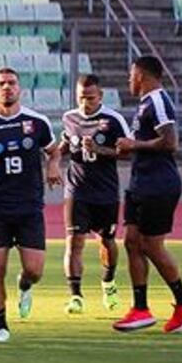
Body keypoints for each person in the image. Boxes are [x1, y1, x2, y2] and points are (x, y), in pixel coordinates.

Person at [0, 68, 61, 342]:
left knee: (35, 270)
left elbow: (54, 149)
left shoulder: (36, 122)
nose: (7, 88)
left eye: (12, 83)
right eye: (1, 84)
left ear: (20, 89)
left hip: (29, 208)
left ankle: (24, 285)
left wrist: (53, 166)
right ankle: (0, 325)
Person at [112, 55, 182, 333]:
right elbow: (144, 144)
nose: (128, 80)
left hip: (158, 184)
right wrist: (128, 148)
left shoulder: (159, 101)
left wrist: (134, 143)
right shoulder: (145, 104)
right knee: (132, 242)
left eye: (131, 75)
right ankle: (140, 309)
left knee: (151, 245)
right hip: (141, 183)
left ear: (141, 75)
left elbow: (170, 142)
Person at [60, 74, 131, 315]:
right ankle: (75, 295)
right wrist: (51, 157)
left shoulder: (113, 119)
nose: (85, 102)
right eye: (81, 97)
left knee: (107, 241)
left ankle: (108, 282)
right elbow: (64, 144)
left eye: (90, 97)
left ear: (100, 96)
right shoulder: (69, 118)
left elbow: (126, 151)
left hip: (105, 192)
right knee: (74, 241)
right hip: (76, 190)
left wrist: (98, 149)